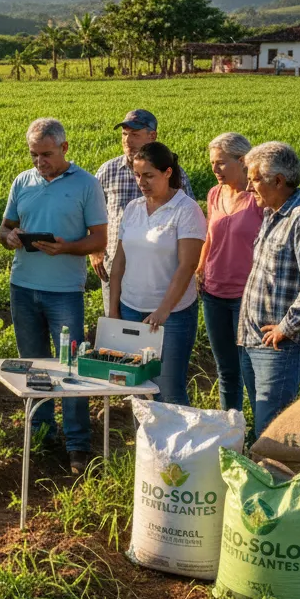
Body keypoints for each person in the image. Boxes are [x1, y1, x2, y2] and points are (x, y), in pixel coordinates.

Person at [0, 118, 108, 474]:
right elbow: (4, 228)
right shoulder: (22, 181)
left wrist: (67, 248)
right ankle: (43, 434)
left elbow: (100, 238)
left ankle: (77, 444)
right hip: (23, 286)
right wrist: (9, 238)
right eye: (34, 154)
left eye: (46, 154)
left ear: (64, 148)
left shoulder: (86, 184)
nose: (39, 161)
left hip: (65, 291)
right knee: (34, 364)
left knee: (72, 367)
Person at [238, 141, 300, 438]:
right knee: (262, 423)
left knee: (270, 430)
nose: (249, 187)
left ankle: (270, 469)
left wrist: (286, 327)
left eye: (255, 179)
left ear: (278, 181)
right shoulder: (273, 214)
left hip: (280, 347)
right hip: (253, 340)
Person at [107, 142, 206, 406]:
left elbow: (187, 266)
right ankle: (146, 434)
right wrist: (114, 309)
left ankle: (176, 434)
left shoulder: (186, 210)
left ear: (167, 172)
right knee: (136, 386)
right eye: (137, 175)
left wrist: (164, 310)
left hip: (172, 316)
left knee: (168, 388)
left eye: (149, 175)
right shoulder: (133, 208)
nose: (142, 182)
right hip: (130, 308)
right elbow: (119, 261)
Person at [195, 133, 261, 413]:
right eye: (212, 162)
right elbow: (210, 236)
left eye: (221, 162)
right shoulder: (215, 193)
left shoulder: (258, 198)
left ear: (242, 161)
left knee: (250, 370)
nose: (215, 169)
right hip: (213, 293)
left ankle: (261, 431)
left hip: (246, 296)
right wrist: (200, 269)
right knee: (226, 371)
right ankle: (231, 429)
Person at [91, 109, 193, 289]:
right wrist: (95, 250)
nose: (127, 140)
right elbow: (93, 213)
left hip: (159, 270)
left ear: (152, 136)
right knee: (114, 307)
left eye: (135, 135)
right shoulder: (108, 171)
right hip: (114, 266)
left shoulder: (171, 173)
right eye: (124, 134)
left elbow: (189, 220)